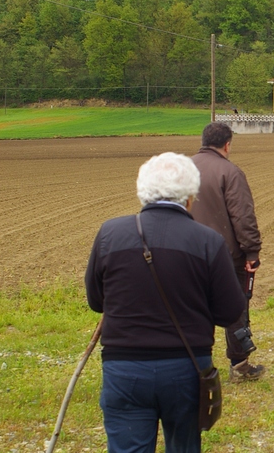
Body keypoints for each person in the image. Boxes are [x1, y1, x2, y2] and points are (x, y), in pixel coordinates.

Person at [85, 152, 246, 452]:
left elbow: (96, 301)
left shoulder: (110, 234)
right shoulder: (208, 241)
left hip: (124, 367)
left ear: (143, 191)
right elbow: (230, 312)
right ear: (190, 196)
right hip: (186, 368)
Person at [190, 122, 265, 382]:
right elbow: (242, 216)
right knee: (235, 308)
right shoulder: (230, 172)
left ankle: (197, 366)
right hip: (224, 255)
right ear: (227, 144)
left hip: (186, 252)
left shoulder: (183, 170)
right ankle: (240, 365)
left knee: (193, 308)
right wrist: (252, 251)